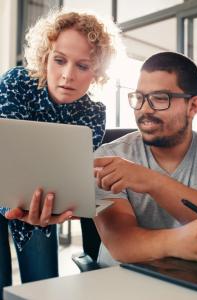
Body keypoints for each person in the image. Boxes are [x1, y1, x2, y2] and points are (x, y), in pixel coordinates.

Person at [93, 52, 197, 267]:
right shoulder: (107, 157)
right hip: (123, 283)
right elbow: (121, 244)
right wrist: (178, 242)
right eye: (139, 98)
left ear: (193, 106)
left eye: (160, 98)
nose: (145, 109)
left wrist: (152, 182)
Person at [0, 10, 120, 295]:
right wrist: (13, 209)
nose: (68, 75)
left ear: (97, 72)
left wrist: (65, 207)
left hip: (41, 205)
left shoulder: (93, 113)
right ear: (45, 58)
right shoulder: (16, 83)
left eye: (83, 65)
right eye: (59, 60)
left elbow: (68, 179)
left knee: (45, 289)